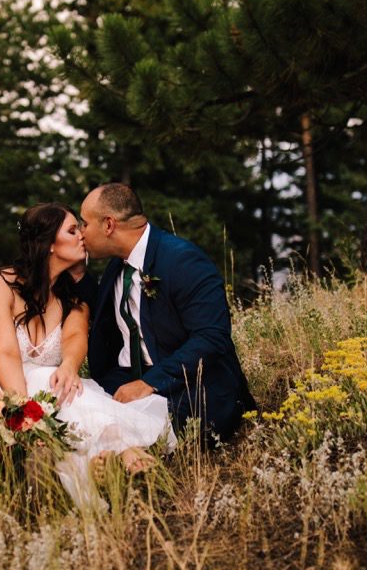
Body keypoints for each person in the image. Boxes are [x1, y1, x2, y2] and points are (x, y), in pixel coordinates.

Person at [0, 202, 174, 507]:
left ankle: (105, 467)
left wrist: (71, 366)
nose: (82, 236)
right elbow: (6, 353)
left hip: (50, 396)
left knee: (67, 389)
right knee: (49, 385)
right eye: (72, 230)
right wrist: (22, 414)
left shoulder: (72, 295)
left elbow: (74, 337)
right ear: (48, 244)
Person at [78, 183, 253, 445]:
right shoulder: (116, 266)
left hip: (190, 382)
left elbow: (211, 337)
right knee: (77, 407)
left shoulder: (183, 260)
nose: (81, 233)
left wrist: (149, 383)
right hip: (124, 376)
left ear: (108, 225)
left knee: (135, 424)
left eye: (84, 224)